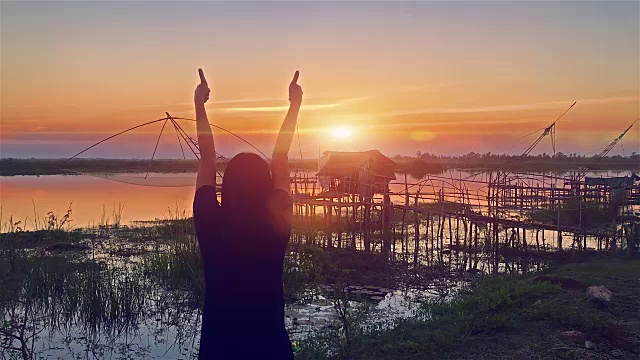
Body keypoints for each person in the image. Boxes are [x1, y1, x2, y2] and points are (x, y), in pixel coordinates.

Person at [192, 68, 302, 359]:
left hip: (218, 350)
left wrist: (199, 105)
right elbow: (280, 157)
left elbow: (206, 159)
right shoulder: (276, 226)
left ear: (226, 186)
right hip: (271, 349)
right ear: (266, 189)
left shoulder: (209, 222)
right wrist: (295, 105)